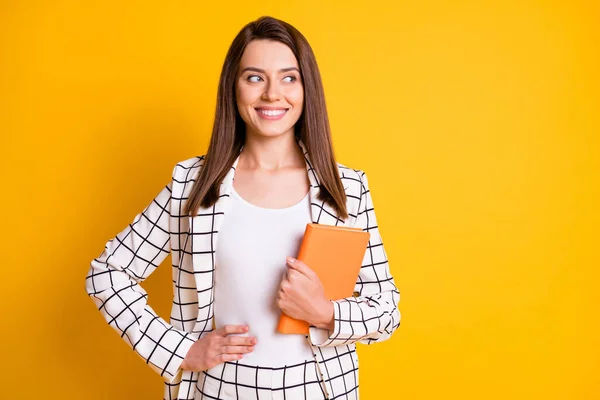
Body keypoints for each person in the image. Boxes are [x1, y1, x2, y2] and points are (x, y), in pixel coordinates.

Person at [85, 15, 400, 400]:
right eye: (255, 77)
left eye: (289, 78)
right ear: (233, 88)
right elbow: (108, 271)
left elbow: (386, 310)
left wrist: (325, 312)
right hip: (218, 390)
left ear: (307, 89)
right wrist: (178, 350)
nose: (272, 94)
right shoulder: (193, 184)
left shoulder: (346, 189)